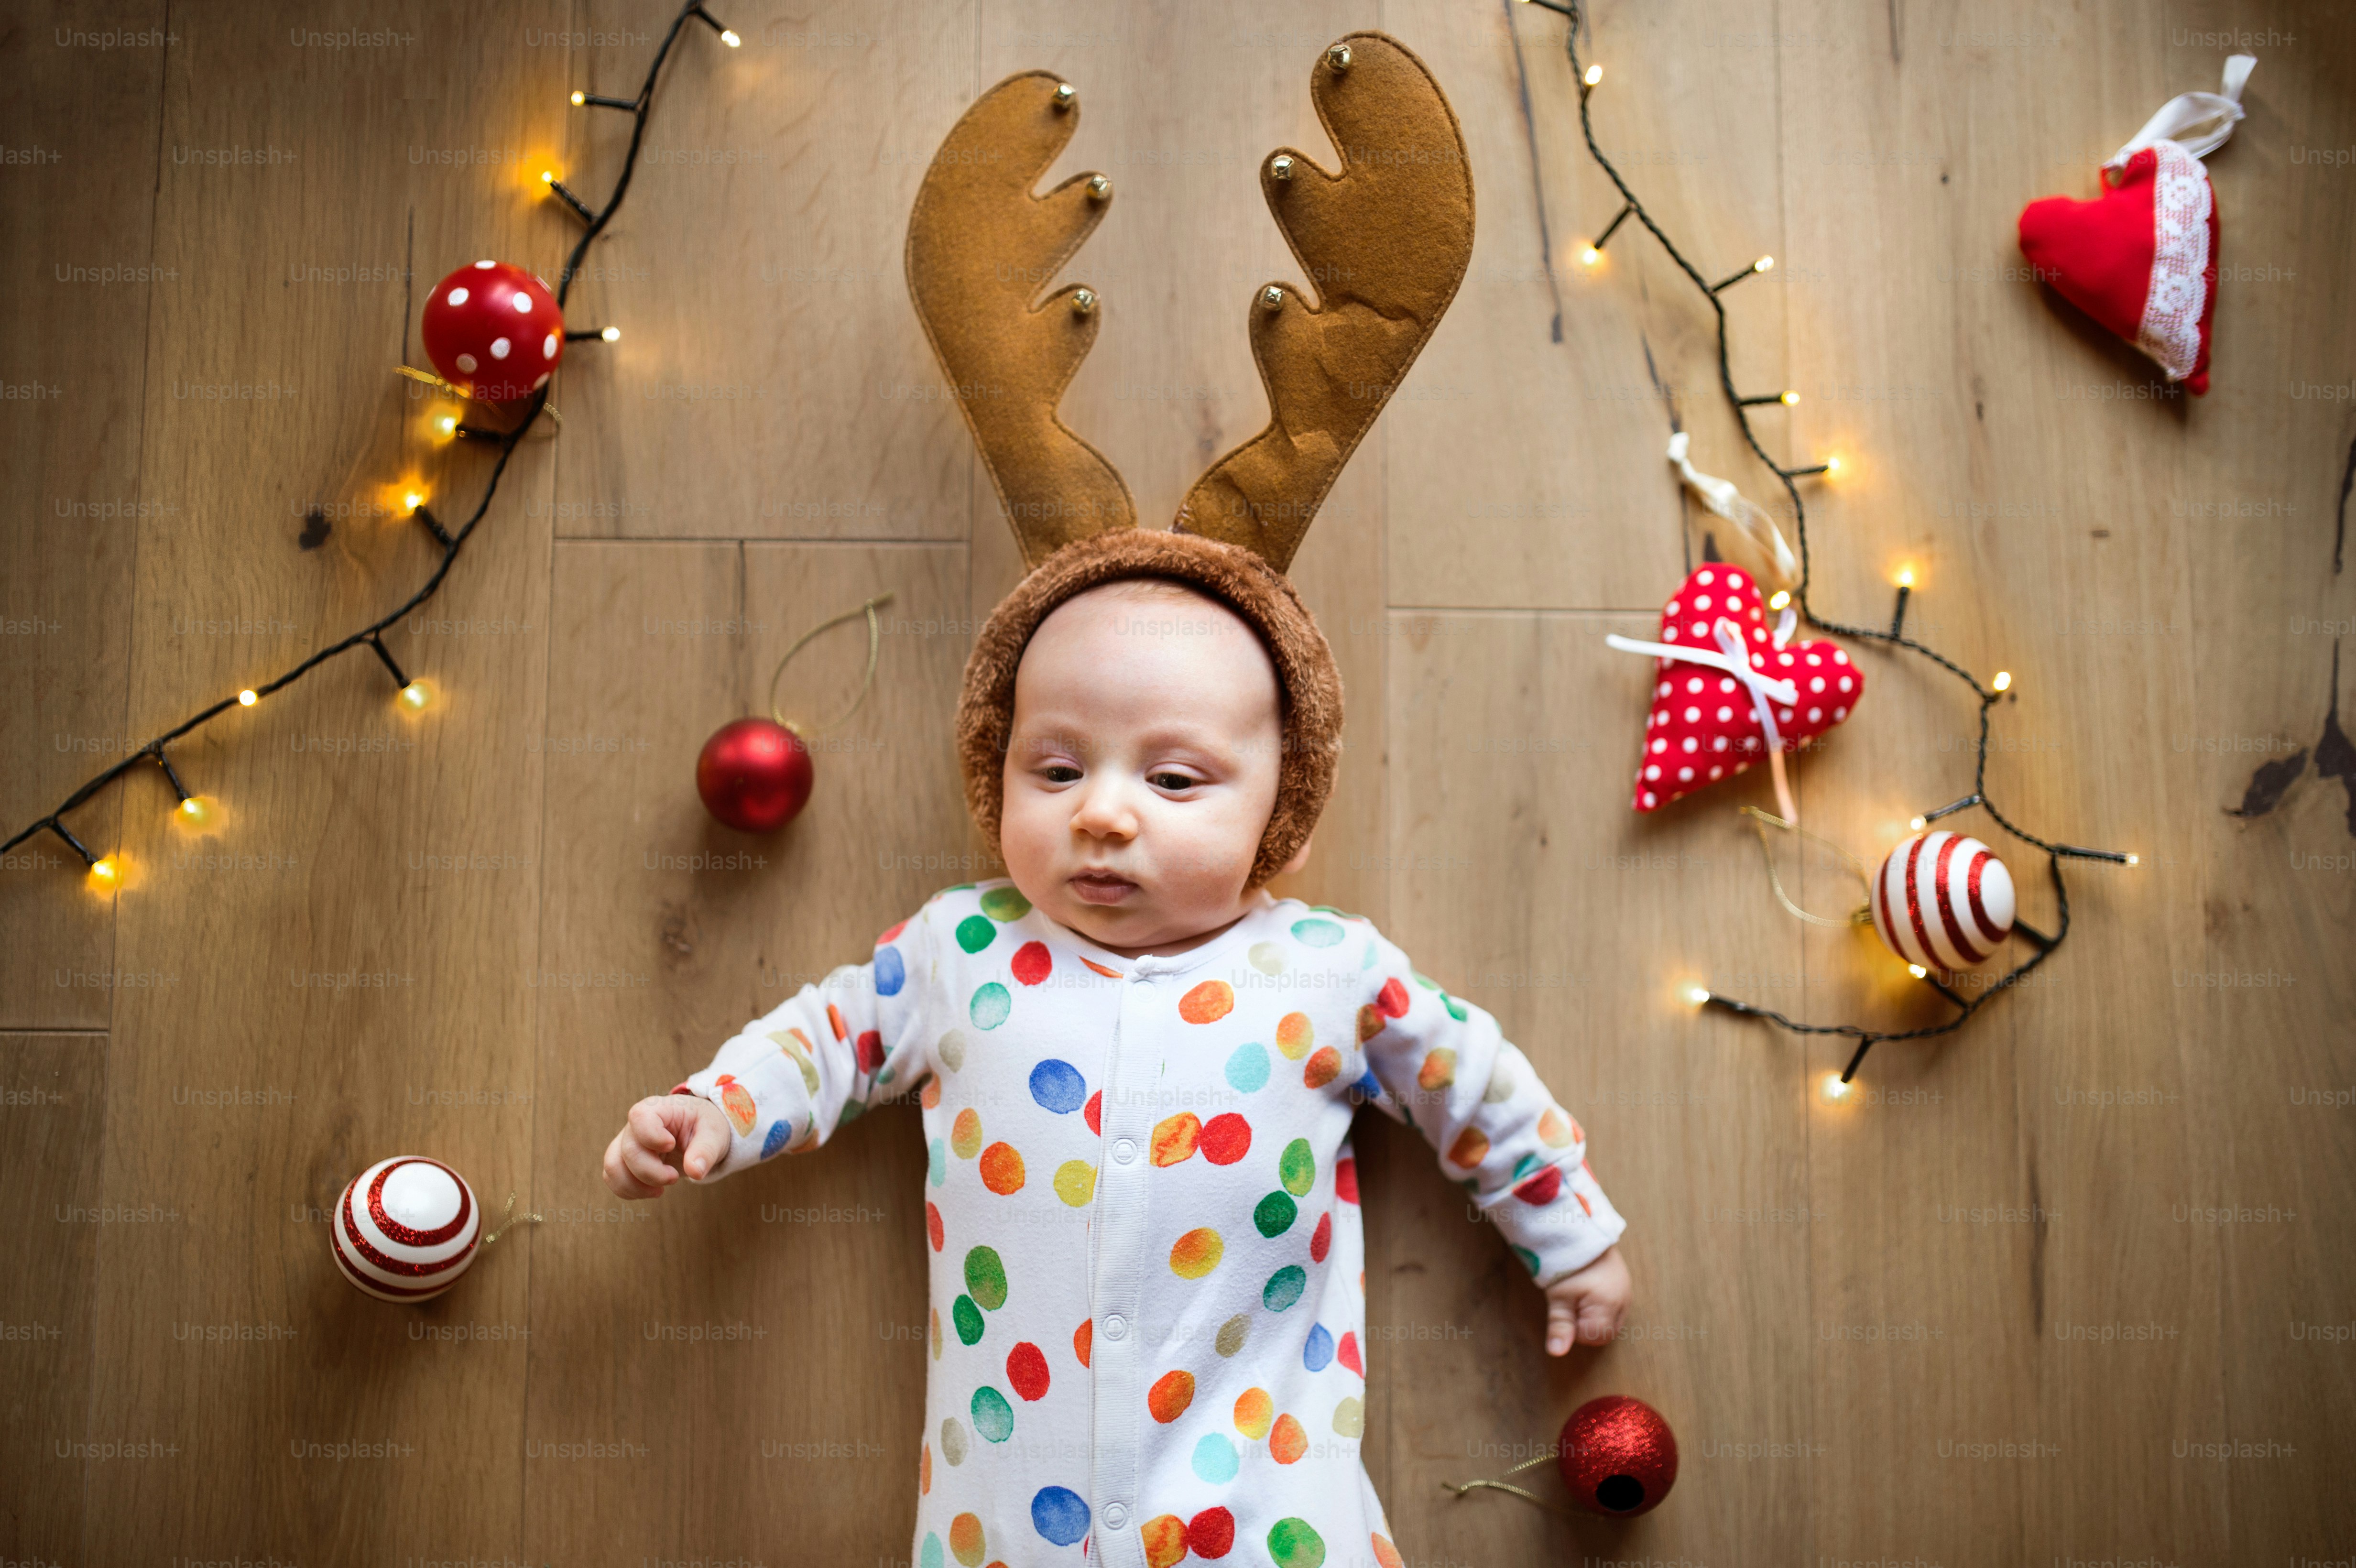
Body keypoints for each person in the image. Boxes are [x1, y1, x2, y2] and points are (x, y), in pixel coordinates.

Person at [604, 566, 1629, 1568]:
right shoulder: (960, 949)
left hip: (1263, 1506)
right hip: (1004, 1523)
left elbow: (1474, 1079)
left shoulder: (1327, 968)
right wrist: (717, 1107)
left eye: (1173, 778)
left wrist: (1568, 1232)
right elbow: (827, 1038)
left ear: (1284, 813)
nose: (1100, 812)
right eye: (1055, 770)